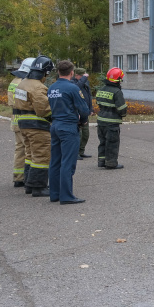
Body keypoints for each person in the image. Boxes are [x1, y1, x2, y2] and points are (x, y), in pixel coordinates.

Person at [47, 60, 90, 204]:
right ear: (72, 72)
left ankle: (54, 194)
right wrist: (83, 120)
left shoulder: (51, 88)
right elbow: (83, 109)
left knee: (55, 161)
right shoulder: (72, 88)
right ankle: (66, 196)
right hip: (68, 127)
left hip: (55, 126)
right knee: (68, 162)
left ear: (58, 71)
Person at [16, 56, 55, 197]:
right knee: (41, 156)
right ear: (44, 72)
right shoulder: (38, 87)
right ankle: (39, 187)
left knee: (30, 155)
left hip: (23, 124)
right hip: (37, 126)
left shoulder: (23, 83)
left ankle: (29, 184)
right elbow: (43, 109)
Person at [8, 57, 35, 187]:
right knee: (29, 150)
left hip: (15, 120)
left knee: (20, 149)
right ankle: (28, 178)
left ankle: (18, 177)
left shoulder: (14, 81)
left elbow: (11, 102)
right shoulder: (24, 83)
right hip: (24, 120)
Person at [95, 67, 128, 170]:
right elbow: (122, 108)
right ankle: (111, 163)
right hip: (112, 122)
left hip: (101, 121)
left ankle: (102, 161)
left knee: (103, 142)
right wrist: (123, 114)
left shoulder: (101, 89)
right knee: (112, 143)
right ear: (118, 80)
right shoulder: (117, 92)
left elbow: (99, 103)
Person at [71, 68, 93, 159]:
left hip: (85, 112)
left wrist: (90, 109)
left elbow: (89, 96)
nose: (85, 77)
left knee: (85, 134)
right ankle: (76, 153)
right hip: (77, 113)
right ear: (77, 75)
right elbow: (77, 87)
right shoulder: (72, 83)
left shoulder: (85, 82)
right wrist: (83, 79)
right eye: (82, 76)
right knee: (78, 134)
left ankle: (81, 151)